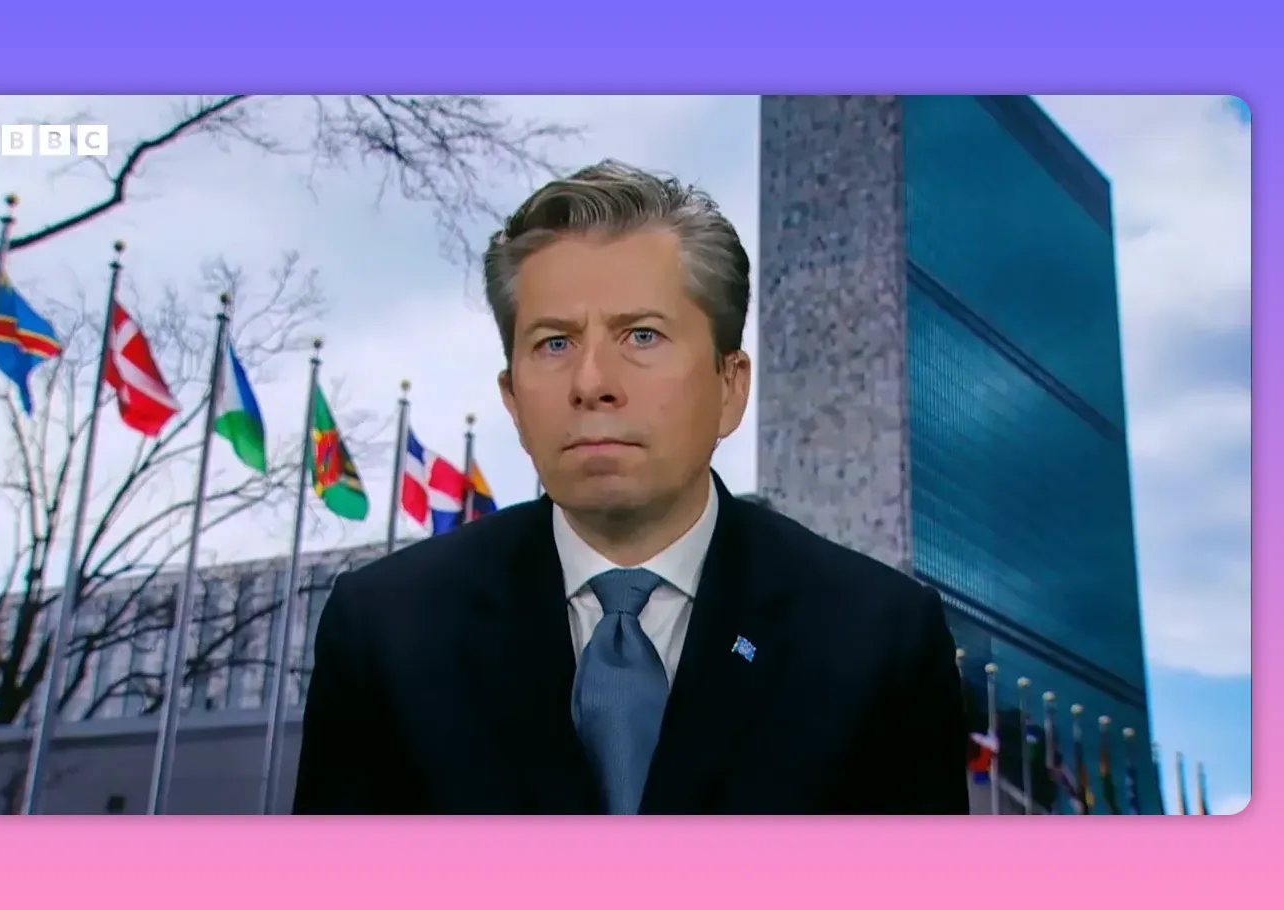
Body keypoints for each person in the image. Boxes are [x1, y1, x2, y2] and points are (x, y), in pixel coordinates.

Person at [293, 160, 969, 815]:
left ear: (730, 385)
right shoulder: (386, 630)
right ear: (512, 399)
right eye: (554, 344)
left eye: (642, 335)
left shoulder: (879, 639)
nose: (591, 383)